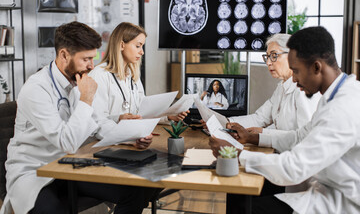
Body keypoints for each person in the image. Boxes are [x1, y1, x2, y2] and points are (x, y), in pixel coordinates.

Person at [0, 21, 158, 214]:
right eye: (86, 59)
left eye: (93, 58)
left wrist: (130, 135)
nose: (92, 66)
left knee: (136, 191)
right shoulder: (36, 89)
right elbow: (67, 142)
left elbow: (95, 124)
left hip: (68, 166)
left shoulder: (76, 81)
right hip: (36, 172)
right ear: (64, 55)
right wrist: (86, 99)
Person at [209, 26, 360, 214]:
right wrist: (251, 138)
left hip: (339, 203)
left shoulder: (343, 107)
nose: (294, 80)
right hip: (322, 190)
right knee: (240, 196)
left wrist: (236, 154)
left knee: (249, 208)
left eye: (296, 71)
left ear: (316, 67)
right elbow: (298, 137)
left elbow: (294, 168)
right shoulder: (334, 97)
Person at [89, 22, 188, 139]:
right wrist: (128, 134)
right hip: (104, 144)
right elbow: (97, 122)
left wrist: (168, 116)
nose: (142, 52)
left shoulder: (132, 75)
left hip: (128, 140)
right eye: (138, 46)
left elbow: (141, 112)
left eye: (142, 46)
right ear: (121, 45)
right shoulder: (99, 75)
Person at [229, 33, 320, 136]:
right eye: (267, 57)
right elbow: (259, 118)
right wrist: (226, 122)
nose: (268, 62)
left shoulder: (305, 90)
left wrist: (264, 133)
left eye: (274, 56)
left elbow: (306, 137)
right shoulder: (282, 87)